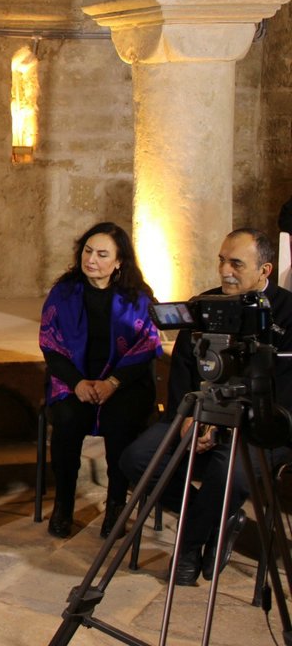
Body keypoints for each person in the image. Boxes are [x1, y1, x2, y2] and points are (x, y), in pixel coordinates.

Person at [121, 228, 292, 585]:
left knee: (230, 471)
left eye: (236, 264)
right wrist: (189, 419)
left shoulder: (288, 312)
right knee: (137, 459)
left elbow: (282, 392)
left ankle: (188, 545)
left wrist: (226, 424)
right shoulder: (205, 304)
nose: (225, 271)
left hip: (261, 427)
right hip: (201, 415)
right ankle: (220, 520)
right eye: (221, 260)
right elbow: (183, 369)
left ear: (264, 270)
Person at [39, 222, 163, 539]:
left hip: (123, 382)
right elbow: (50, 346)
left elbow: (147, 347)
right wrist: (78, 383)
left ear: (119, 261)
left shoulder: (139, 297)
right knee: (67, 420)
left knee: (120, 422)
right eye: (88, 251)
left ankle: (116, 507)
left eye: (102, 254)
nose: (91, 259)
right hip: (75, 380)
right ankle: (64, 505)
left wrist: (112, 383)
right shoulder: (63, 293)